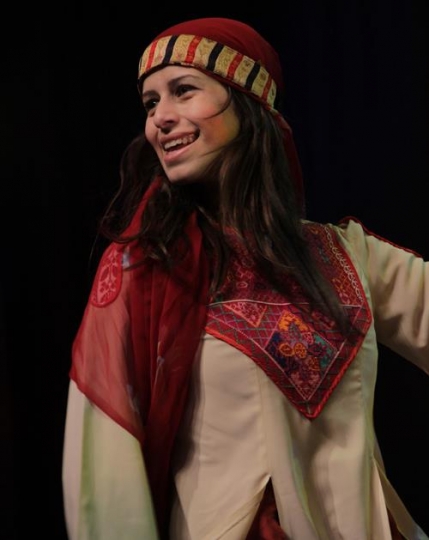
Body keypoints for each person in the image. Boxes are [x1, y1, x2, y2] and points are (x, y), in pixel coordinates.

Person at [62, 16, 429, 540]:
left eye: (183, 90)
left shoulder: (349, 255)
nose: (160, 117)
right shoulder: (144, 270)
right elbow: (106, 463)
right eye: (150, 102)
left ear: (247, 101)